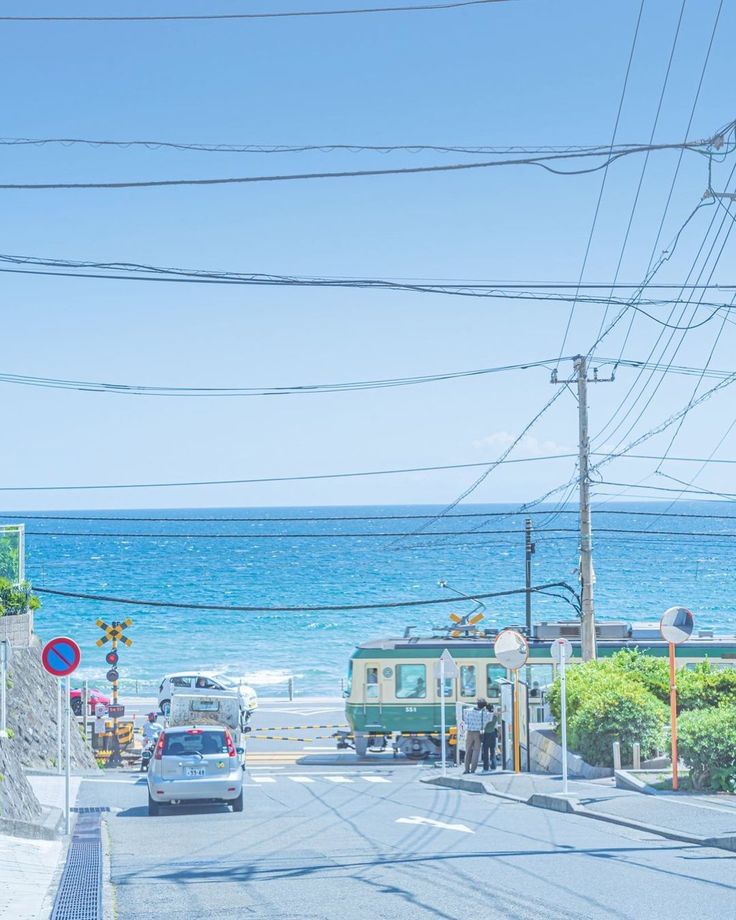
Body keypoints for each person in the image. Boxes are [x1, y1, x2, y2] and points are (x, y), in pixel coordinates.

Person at [463, 698, 488, 774]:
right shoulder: (483, 713)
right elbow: (487, 721)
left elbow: (466, 721)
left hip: (469, 732)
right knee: (476, 751)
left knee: (467, 751)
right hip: (478, 733)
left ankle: (466, 769)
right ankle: (473, 769)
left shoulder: (469, 711)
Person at [482, 703, 498, 772]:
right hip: (493, 734)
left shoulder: (486, 716)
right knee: (492, 751)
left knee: (485, 751)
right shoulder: (495, 716)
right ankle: (493, 766)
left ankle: (486, 767)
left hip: (486, 734)